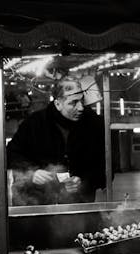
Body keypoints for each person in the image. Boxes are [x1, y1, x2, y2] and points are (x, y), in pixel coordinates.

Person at [6, 77, 105, 205]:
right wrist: (32, 173)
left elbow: (107, 166)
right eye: (73, 103)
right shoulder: (34, 124)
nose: (80, 108)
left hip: (79, 207)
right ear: (58, 104)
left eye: (82, 102)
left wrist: (84, 182)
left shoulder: (94, 125)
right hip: (37, 205)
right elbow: (11, 154)